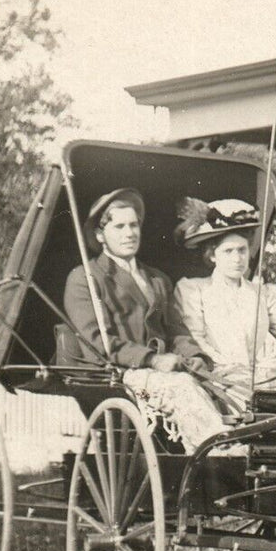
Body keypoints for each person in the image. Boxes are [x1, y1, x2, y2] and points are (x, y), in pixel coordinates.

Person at [62, 188, 229, 449]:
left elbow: (177, 331)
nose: (129, 233)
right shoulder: (85, 279)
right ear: (99, 235)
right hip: (120, 373)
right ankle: (221, 455)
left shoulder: (157, 279)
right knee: (183, 388)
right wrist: (152, 359)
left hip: (167, 370)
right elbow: (97, 342)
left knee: (229, 384)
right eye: (119, 226)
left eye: (134, 225)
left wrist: (196, 357)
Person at [172, 198, 276, 411]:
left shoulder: (261, 293)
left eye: (242, 250)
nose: (237, 258)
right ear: (212, 255)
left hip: (263, 376)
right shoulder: (193, 290)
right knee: (255, 403)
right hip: (218, 379)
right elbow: (196, 340)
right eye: (228, 251)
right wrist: (231, 368)